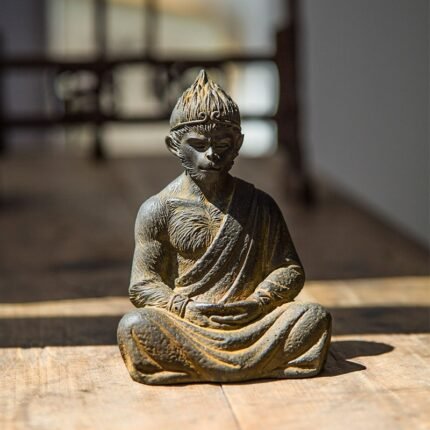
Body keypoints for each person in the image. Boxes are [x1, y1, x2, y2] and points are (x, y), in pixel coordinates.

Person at [117, 70, 331, 385]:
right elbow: (143, 283)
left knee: (312, 317)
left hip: (251, 320)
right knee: (135, 326)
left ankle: (198, 366)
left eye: (223, 144)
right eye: (198, 144)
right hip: (189, 322)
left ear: (238, 144)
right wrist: (184, 308)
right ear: (174, 145)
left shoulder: (260, 205)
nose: (212, 154)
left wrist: (259, 301)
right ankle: (255, 364)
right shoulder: (158, 209)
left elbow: (289, 269)